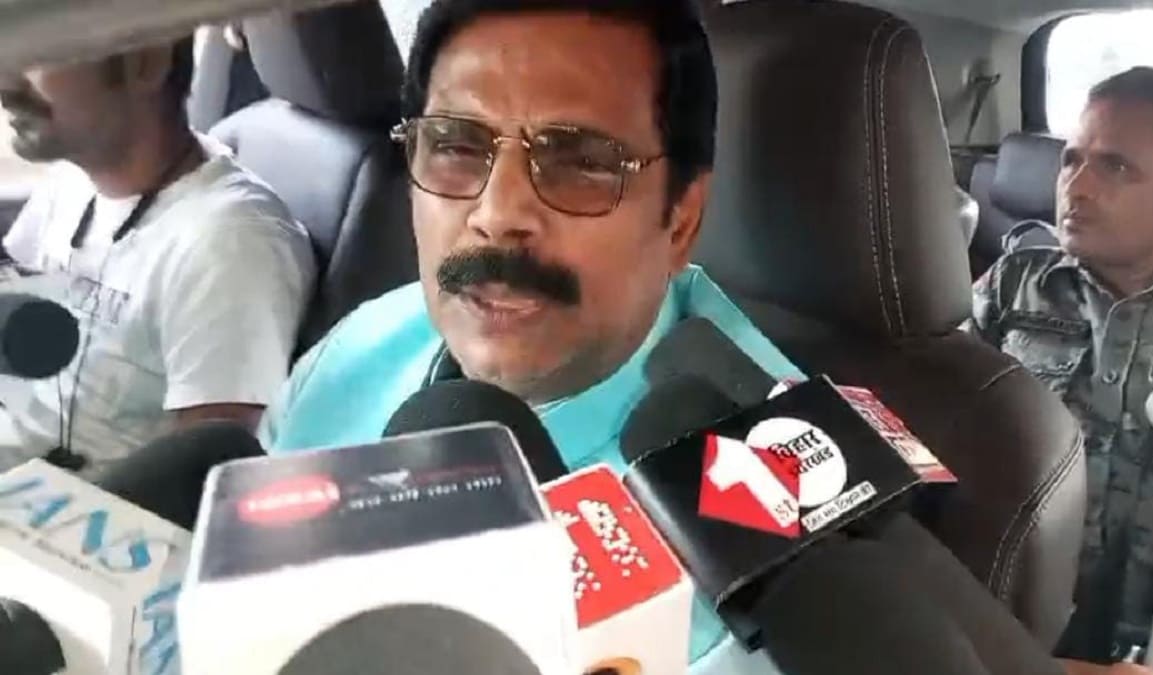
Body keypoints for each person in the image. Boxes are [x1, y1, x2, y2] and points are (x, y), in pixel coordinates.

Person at [259, 1, 800, 673]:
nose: (497, 214)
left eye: (580, 161)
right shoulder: (360, 349)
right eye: (457, 146)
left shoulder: (756, 562)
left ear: (681, 222)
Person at [0, 38, 316, 478]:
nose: (5, 82)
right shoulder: (70, 185)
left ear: (145, 62)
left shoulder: (228, 240)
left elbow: (202, 472)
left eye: (35, 53)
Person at [966, 67, 1153, 675]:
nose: (1077, 186)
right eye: (1071, 159)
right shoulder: (1014, 287)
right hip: (1013, 637)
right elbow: (935, 431)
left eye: (1116, 167)